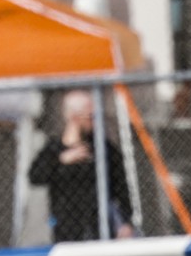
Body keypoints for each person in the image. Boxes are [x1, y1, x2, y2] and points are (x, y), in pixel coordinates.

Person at [29, 90, 135, 242]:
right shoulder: (54, 148)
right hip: (67, 227)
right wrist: (61, 160)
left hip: (99, 225)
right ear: (74, 117)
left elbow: (121, 187)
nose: (94, 121)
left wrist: (125, 221)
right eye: (90, 117)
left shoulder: (102, 148)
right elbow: (35, 176)